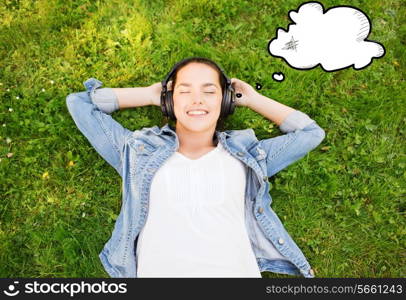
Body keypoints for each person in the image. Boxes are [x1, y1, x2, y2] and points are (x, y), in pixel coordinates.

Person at [66, 56, 325, 278]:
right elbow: (80, 103)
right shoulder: (136, 152)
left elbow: (310, 133)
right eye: (185, 90)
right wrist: (147, 94)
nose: (197, 99)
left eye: (209, 91)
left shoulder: (248, 156)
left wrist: (252, 99)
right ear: (169, 100)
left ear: (225, 101)